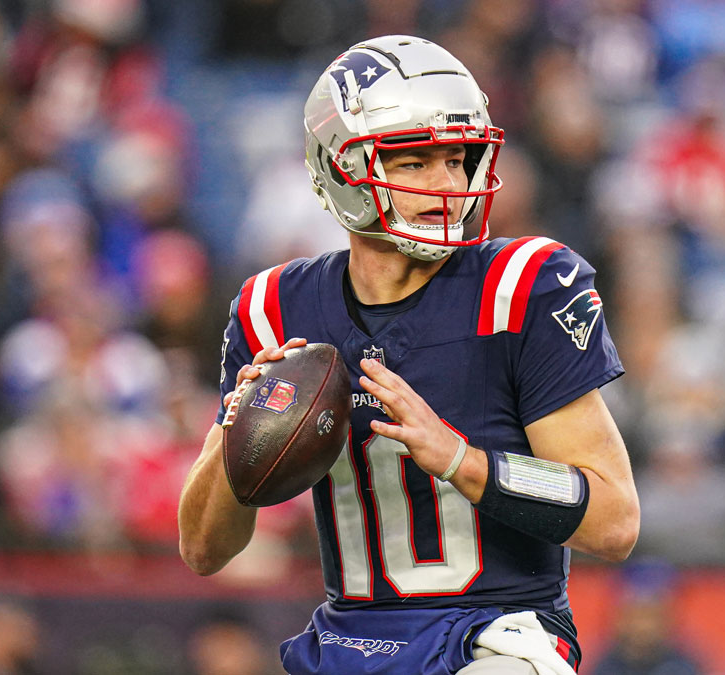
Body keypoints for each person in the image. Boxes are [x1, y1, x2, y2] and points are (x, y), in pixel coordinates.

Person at [178, 35, 640, 675]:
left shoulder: (521, 286)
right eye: (416, 164)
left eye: (458, 160)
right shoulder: (273, 309)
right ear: (343, 168)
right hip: (348, 643)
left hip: (499, 639)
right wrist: (242, 434)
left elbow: (615, 519)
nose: (447, 184)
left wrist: (463, 460)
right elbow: (203, 549)